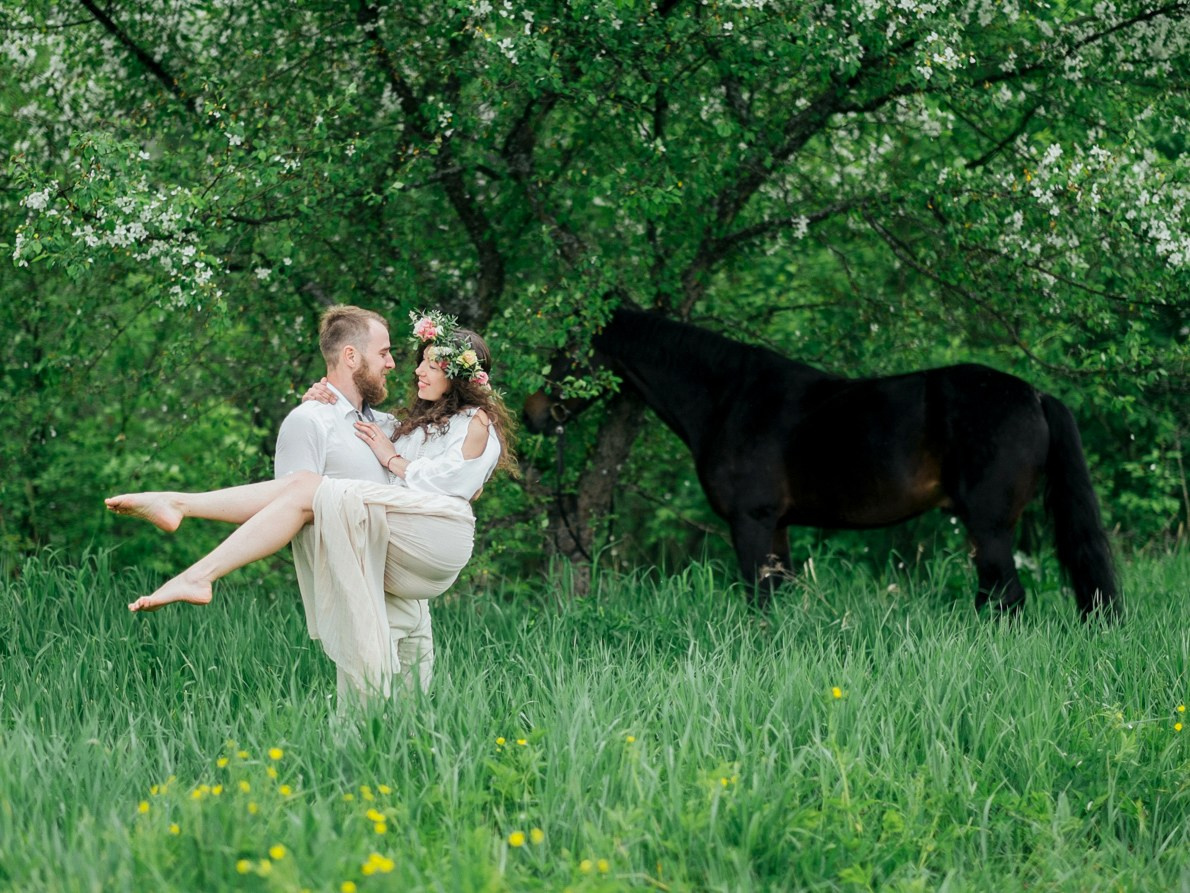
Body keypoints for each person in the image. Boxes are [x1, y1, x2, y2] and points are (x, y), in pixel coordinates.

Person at [105, 309, 517, 703]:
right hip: (379, 569)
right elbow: (284, 506)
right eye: (386, 353)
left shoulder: (411, 427)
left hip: (421, 544)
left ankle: (185, 523)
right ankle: (184, 527)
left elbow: (454, 475)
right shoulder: (334, 421)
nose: (401, 366)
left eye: (425, 362)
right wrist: (321, 404)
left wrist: (394, 459)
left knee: (305, 488)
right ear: (351, 356)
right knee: (386, 704)